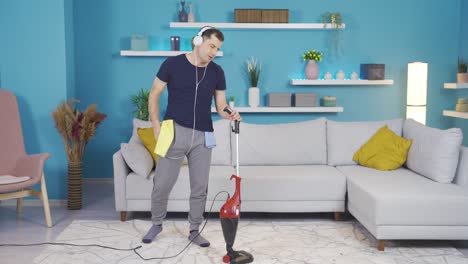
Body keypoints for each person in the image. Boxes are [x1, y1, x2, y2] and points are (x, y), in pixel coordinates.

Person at [142, 26, 241, 246]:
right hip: (172, 130)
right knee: (162, 183)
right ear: (198, 41)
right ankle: (157, 223)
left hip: (204, 134)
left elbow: (221, 105)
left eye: (218, 48)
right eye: (211, 46)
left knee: (200, 186)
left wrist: (230, 113)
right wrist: (155, 124)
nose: (214, 52)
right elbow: (154, 94)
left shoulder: (217, 72)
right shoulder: (172, 64)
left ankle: (194, 229)